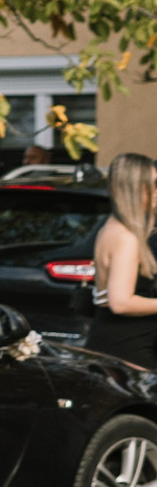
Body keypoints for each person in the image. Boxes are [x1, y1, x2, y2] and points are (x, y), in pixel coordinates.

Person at [90, 152, 157, 366]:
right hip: (127, 350)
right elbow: (120, 302)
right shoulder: (125, 237)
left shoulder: (112, 227)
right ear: (136, 188)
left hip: (119, 344)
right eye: (153, 184)